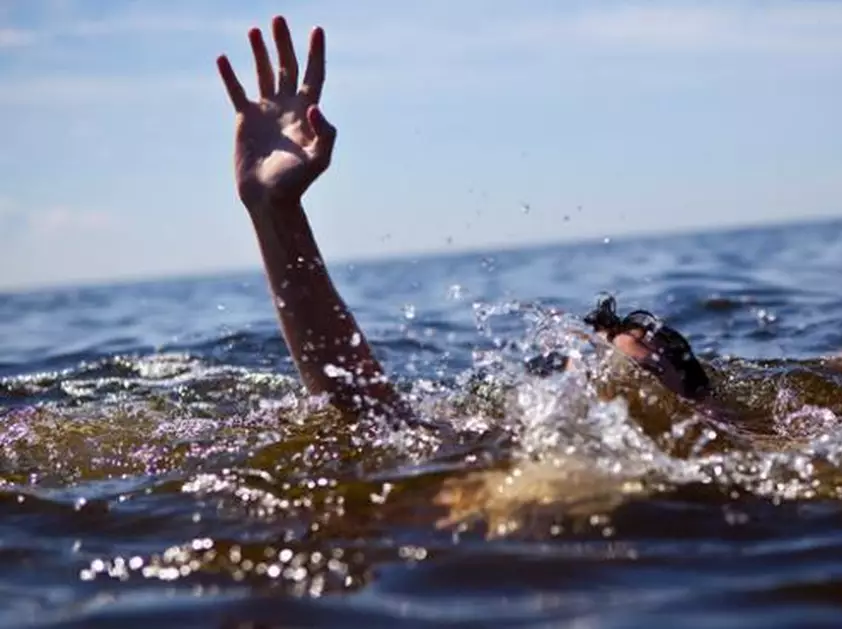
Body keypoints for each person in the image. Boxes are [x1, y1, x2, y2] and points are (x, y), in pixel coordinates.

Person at [215, 16, 724, 431]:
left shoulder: (725, 466)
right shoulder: (502, 448)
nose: (609, 391)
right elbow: (364, 411)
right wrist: (274, 211)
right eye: (595, 374)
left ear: (700, 408)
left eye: (641, 375)